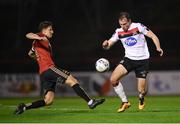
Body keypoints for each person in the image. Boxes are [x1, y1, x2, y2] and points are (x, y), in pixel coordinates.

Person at [14, 21, 105, 115]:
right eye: (50, 29)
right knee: (73, 81)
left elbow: (30, 53)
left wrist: (38, 58)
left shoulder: (36, 44)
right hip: (49, 68)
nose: (52, 31)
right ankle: (90, 102)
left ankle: (24, 107)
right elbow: (28, 34)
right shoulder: (42, 38)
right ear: (44, 30)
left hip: (43, 73)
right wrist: (39, 37)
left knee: (48, 101)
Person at [102, 12, 163, 112]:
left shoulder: (138, 26)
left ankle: (141, 98)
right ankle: (125, 102)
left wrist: (158, 47)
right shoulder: (118, 31)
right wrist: (105, 45)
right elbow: (108, 45)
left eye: (125, 24)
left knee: (141, 91)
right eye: (121, 24)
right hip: (129, 59)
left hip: (142, 60)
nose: (123, 26)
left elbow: (153, 36)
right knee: (113, 79)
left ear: (129, 21)